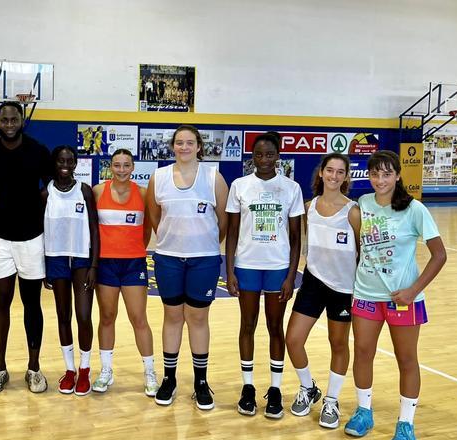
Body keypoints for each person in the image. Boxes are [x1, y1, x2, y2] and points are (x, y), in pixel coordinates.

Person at [344, 150, 446, 440]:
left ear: (398, 175)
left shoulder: (415, 210)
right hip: (365, 294)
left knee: (406, 359)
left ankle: (406, 424)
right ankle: (364, 412)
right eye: (375, 174)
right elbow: (361, 249)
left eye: (387, 174)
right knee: (362, 353)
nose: (380, 180)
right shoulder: (363, 205)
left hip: (404, 299)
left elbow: (439, 255)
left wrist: (413, 289)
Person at [146, 125, 228, 410]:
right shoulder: (159, 177)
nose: (184, 147)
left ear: (198, 146)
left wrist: (201, 244)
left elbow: (223, 221)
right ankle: (169, 379)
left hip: (203, 259)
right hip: (168, 258)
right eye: (179, 142)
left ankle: (201, 382)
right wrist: (174, 242)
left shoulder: (213, 178)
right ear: (173, 146)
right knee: (172, 316)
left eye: (189, 142)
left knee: (197, 318)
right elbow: (155, 216)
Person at [226, 131, 304, 419]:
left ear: (277, 156)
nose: (264, 160)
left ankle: (275, 388)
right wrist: (229, 270)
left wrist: (290, 276)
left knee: (275, 327)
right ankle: (247, 387)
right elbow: (232, 231)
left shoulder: (291, 189)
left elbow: (297, 237)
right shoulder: (240, 186)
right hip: (246, 265)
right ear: (253, 157)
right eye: (259, 154)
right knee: (247, 325)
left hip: (278, 267)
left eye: (269, 154)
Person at [0, 101, 52, 393]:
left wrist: (37, 203)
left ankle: (34, 369)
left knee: (32, 303)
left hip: (32, 237)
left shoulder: (37, 150)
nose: (9, 123)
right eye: (4, 119)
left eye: (14, 118)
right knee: (1, 303)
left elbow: (52, 185)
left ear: (22, 120)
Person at [285, 153, 360, 428]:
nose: (334, 176)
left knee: (338, 344)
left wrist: (358, 289)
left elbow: (361, 252)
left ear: (346, 177)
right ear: (321, 173)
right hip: (313, 282)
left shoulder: (353, 211)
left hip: (342, 288)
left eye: (340, 172)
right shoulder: (309, 207)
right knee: (293, 339)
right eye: (330, 170)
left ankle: (332, 399)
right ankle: (308, 388)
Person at [91, 149, 158, 396]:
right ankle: (106, 370)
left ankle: (150, 372)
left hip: (133, 264)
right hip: (106, 264)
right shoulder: (98, 191)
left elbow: (147, 230)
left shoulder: (142, 194)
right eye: (116, 165)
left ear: (132, 167)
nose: (121, 170)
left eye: (126, 165)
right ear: (110, 167)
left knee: (138, 318)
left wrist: (132, 249)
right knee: (107, 316)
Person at [42, 145, 100, 395]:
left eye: (70, 160)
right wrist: (43, 267)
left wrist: (94, 265)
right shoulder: (45, 194)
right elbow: (41, 232)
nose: (65, 164)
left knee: (84, 315)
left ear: (75, 164)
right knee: (63, 315)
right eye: (60, 160)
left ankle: (85, 369)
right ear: (54, 163)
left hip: (82, 259)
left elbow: (95, 230)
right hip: (56, 258)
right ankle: (69, 370)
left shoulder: (84, 191)